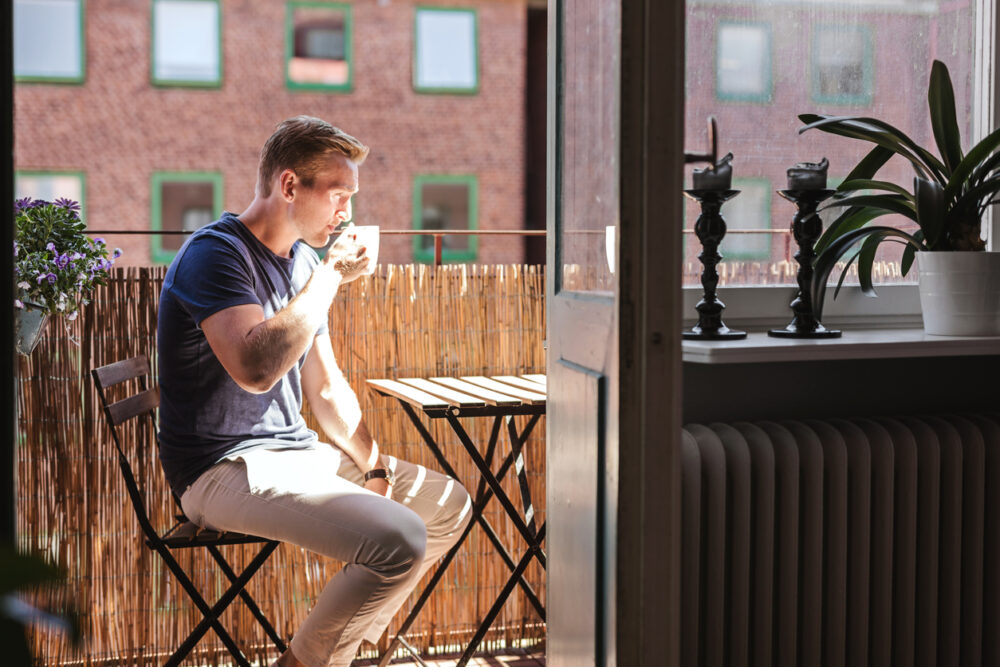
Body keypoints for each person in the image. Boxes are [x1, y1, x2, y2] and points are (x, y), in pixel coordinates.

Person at [156, 116, 472, 667]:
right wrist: (329, 278)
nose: (346, 211)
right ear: (288, 186)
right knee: (399, 542)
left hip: (298, 455)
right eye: (338, 194)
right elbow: (255, 369)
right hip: (220, 469)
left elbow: (324, 388)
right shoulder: (215, 254)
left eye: (352, 196)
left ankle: (332, 654)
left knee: (448, 509)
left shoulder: (302, 258)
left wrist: (374, 467)